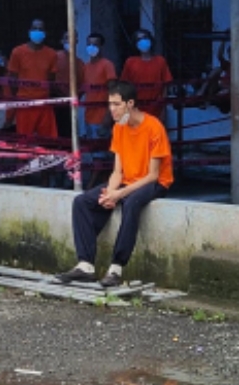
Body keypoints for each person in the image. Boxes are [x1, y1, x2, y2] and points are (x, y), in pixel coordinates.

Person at [54, 79, 174, 288]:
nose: (112, 109)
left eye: (116, 104)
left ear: (130, 104)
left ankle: (116, 268)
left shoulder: (154, 127)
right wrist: (110, 192)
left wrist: (119, 194)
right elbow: (117, 171)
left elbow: (153, 175)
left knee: (131, 202)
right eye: (110, 104)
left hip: (155, 182)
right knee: (81, 202)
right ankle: (85, 265)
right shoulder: (119, 127)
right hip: (127, 181)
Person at [7, 19, 58, 138]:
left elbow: (51, 79)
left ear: (45, 33)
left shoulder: (51, 54)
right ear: (29, 31)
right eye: (35, 28)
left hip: (44, 103)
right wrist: (19, 98)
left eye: (40, 29)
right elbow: (12, 80)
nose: (37, 32)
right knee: (24, 140)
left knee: (48, 140)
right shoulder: (17, 52)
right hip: (24, 102)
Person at [82, 33, 118, 187]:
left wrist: (108, 116)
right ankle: (102, 186)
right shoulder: (85, 67)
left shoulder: (107, 65)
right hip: (88, 116)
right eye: (89, 44)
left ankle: (90, 186)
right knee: (96, 154)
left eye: (95, 44)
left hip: (101, 116)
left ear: (101, 46)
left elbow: (113, 92)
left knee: (100, 156)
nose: (92, 47)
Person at [120, 29, 173, 119]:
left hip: (156, 110)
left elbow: (165, 87)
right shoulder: (130, 62)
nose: (142, 41)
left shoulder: (160, 61)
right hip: (136, 110)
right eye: (139, 39)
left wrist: (163, 109)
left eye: (145, 38)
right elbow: (125, 86)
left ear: (150, 40)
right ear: (135, 44)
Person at [54, 31, 85, 141]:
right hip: (53, 101)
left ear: (77, 41)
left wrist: (75, 98)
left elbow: (83, 85)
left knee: (68, 132)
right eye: (67, 38)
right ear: (62, 41)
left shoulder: (80, 63)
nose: (70, 41)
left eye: (73, 38)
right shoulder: (54, 57)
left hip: (70, 104)